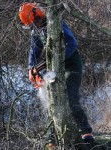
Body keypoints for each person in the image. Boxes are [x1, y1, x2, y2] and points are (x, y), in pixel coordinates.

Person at [19, 2, 94, 146]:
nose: (33, 25)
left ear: (37, 16)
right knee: (51, 99)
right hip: (54, 67)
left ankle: (86, 131)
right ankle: (52, 137)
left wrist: (57, 61)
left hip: (71, 65)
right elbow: (33, 51)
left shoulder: (55, 23)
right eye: (31, 24)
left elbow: (71, 43)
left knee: (70, 98)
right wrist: (31, 69)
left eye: (34, 22)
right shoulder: (36, 30)